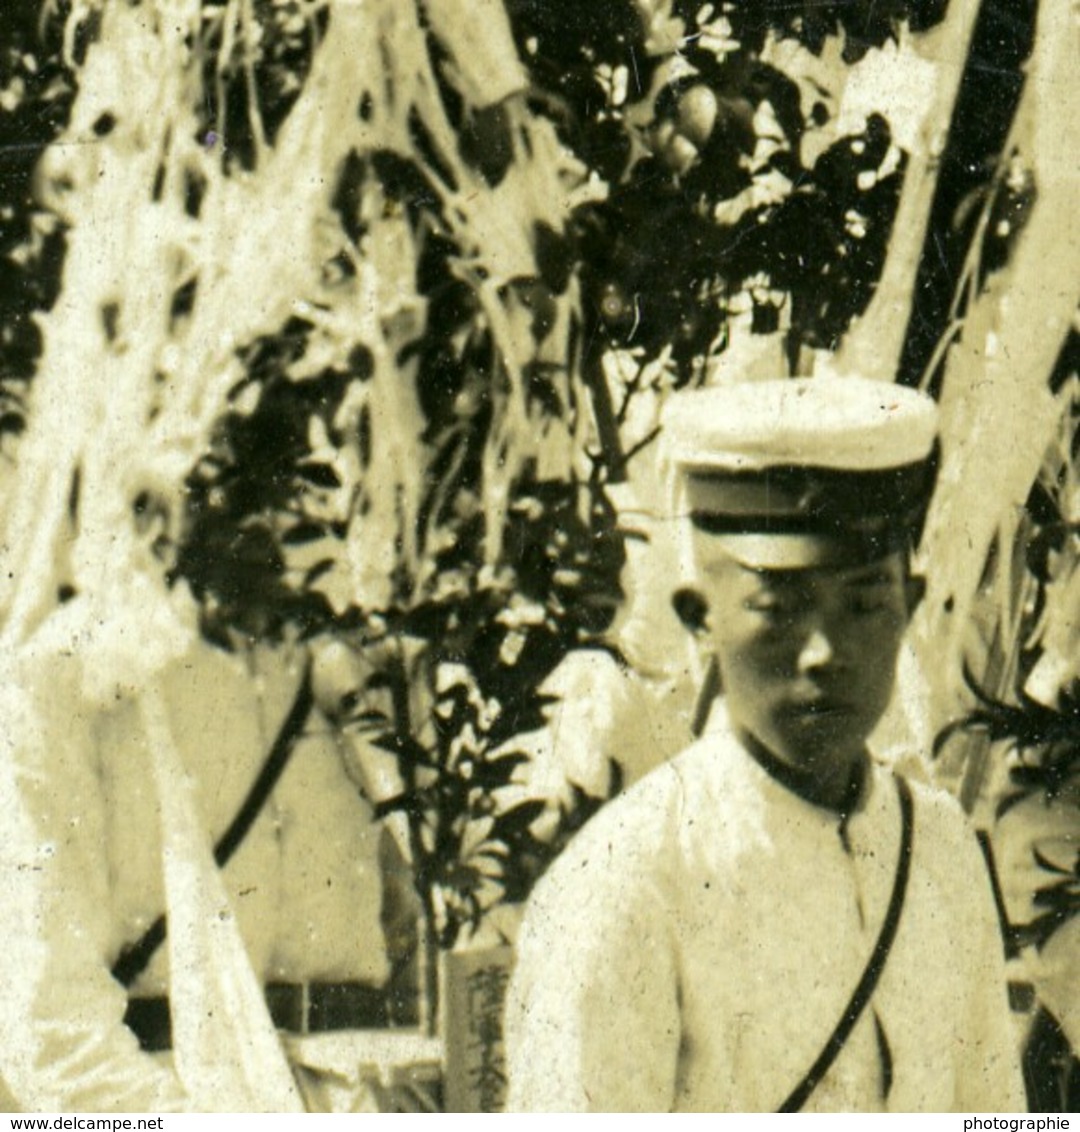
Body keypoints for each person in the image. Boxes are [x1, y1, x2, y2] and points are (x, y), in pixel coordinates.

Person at [504, 375, 1026, 1112]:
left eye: (864, 604)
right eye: (779, 607)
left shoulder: (942, 851)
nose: (823, 651)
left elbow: (993, 1119)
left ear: (909, 605)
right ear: (700, 618)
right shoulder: (627, 881)